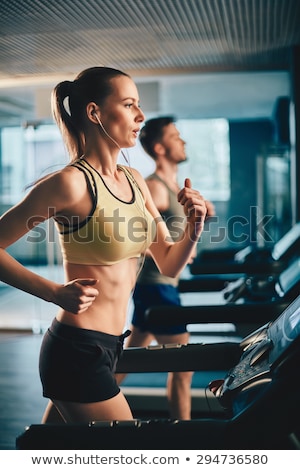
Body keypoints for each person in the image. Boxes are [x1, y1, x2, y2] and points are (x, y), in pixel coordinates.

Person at [0, 67, 208, 424]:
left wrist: (195, 223)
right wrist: (54, 292)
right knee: (126, 451)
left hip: (112, 345)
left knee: (49, 453)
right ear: (94, 113)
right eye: (129, 105)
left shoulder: (134, 179)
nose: (140, 115)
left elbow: (169, 263)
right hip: (77, 348)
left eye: (138, 105)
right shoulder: (70, 184)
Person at [116, 117, 215, 420]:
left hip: (158, 287)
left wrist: (198, 218)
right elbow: (132, 234)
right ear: (159, 147)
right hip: (156, 286)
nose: (182, 141)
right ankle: (184, 438)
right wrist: (168, 252)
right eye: (175, 136)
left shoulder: (173, 186)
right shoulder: (155, 188)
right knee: (184, 368)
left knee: (126, 364)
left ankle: (88, 393)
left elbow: (199, 218)